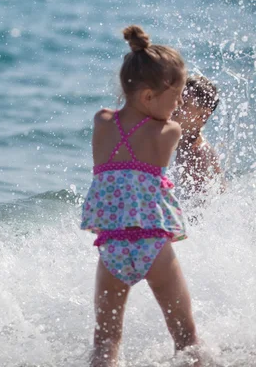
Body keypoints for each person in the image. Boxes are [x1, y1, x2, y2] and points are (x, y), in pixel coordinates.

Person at [80, 25, 199, 366]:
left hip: (112, 247)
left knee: (105, 341)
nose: (177, 107)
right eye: (176, 97)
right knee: (186, 339)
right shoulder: (169, 131)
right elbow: (172, 128)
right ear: (149, 96)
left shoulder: (102, 122)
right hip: (153, 247)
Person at [173, 75, 224, 195]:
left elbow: (199, 208)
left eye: (183, 104)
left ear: (202, 116)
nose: (175, 107)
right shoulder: (182, 144)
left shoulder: (197, 155)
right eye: (175, 100)